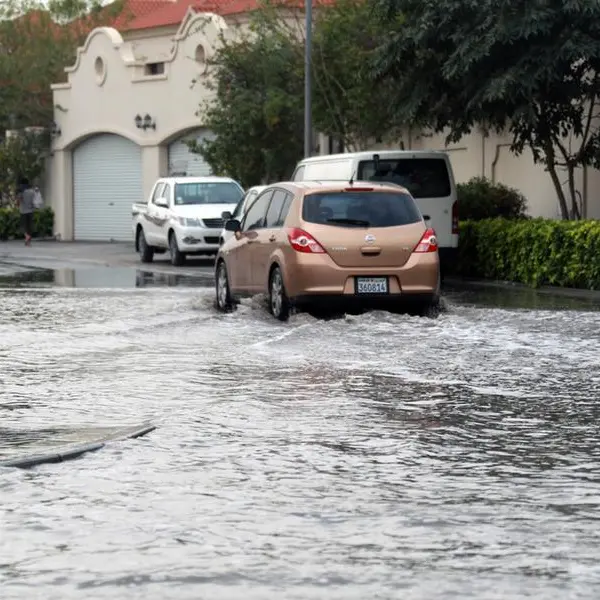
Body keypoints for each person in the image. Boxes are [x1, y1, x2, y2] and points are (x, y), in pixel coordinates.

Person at [16, 178, 35, 246]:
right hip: (30, 211)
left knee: (23, 226)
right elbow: (34, 201)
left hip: (23, 211)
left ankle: (27, 237)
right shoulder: (32, 192)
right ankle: (28, 242)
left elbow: (18, 202)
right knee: (29, 227)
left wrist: (18, 204)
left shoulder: (21, 192)